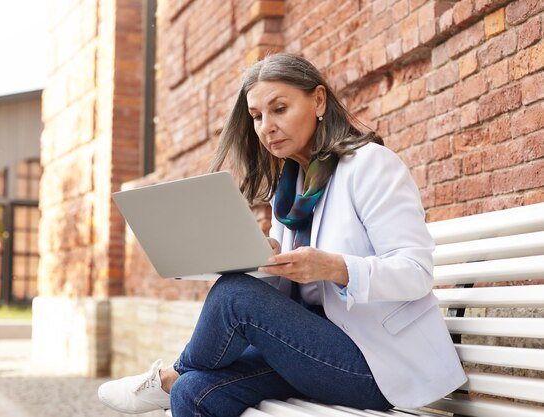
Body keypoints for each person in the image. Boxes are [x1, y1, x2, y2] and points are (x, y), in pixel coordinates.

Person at [98, 53, 466, 416]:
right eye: (257, 116)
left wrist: (334, 267)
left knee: (233, 296)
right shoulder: (289, 189)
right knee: (195, 393)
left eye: (279, 109)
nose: (266, 127)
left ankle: (168, 376)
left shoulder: (370, 165)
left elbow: (416, 272)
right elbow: (290, 297)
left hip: (378, 362)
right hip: (312, 351)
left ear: (318, 100)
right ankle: (178, 382)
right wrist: (262, 261)